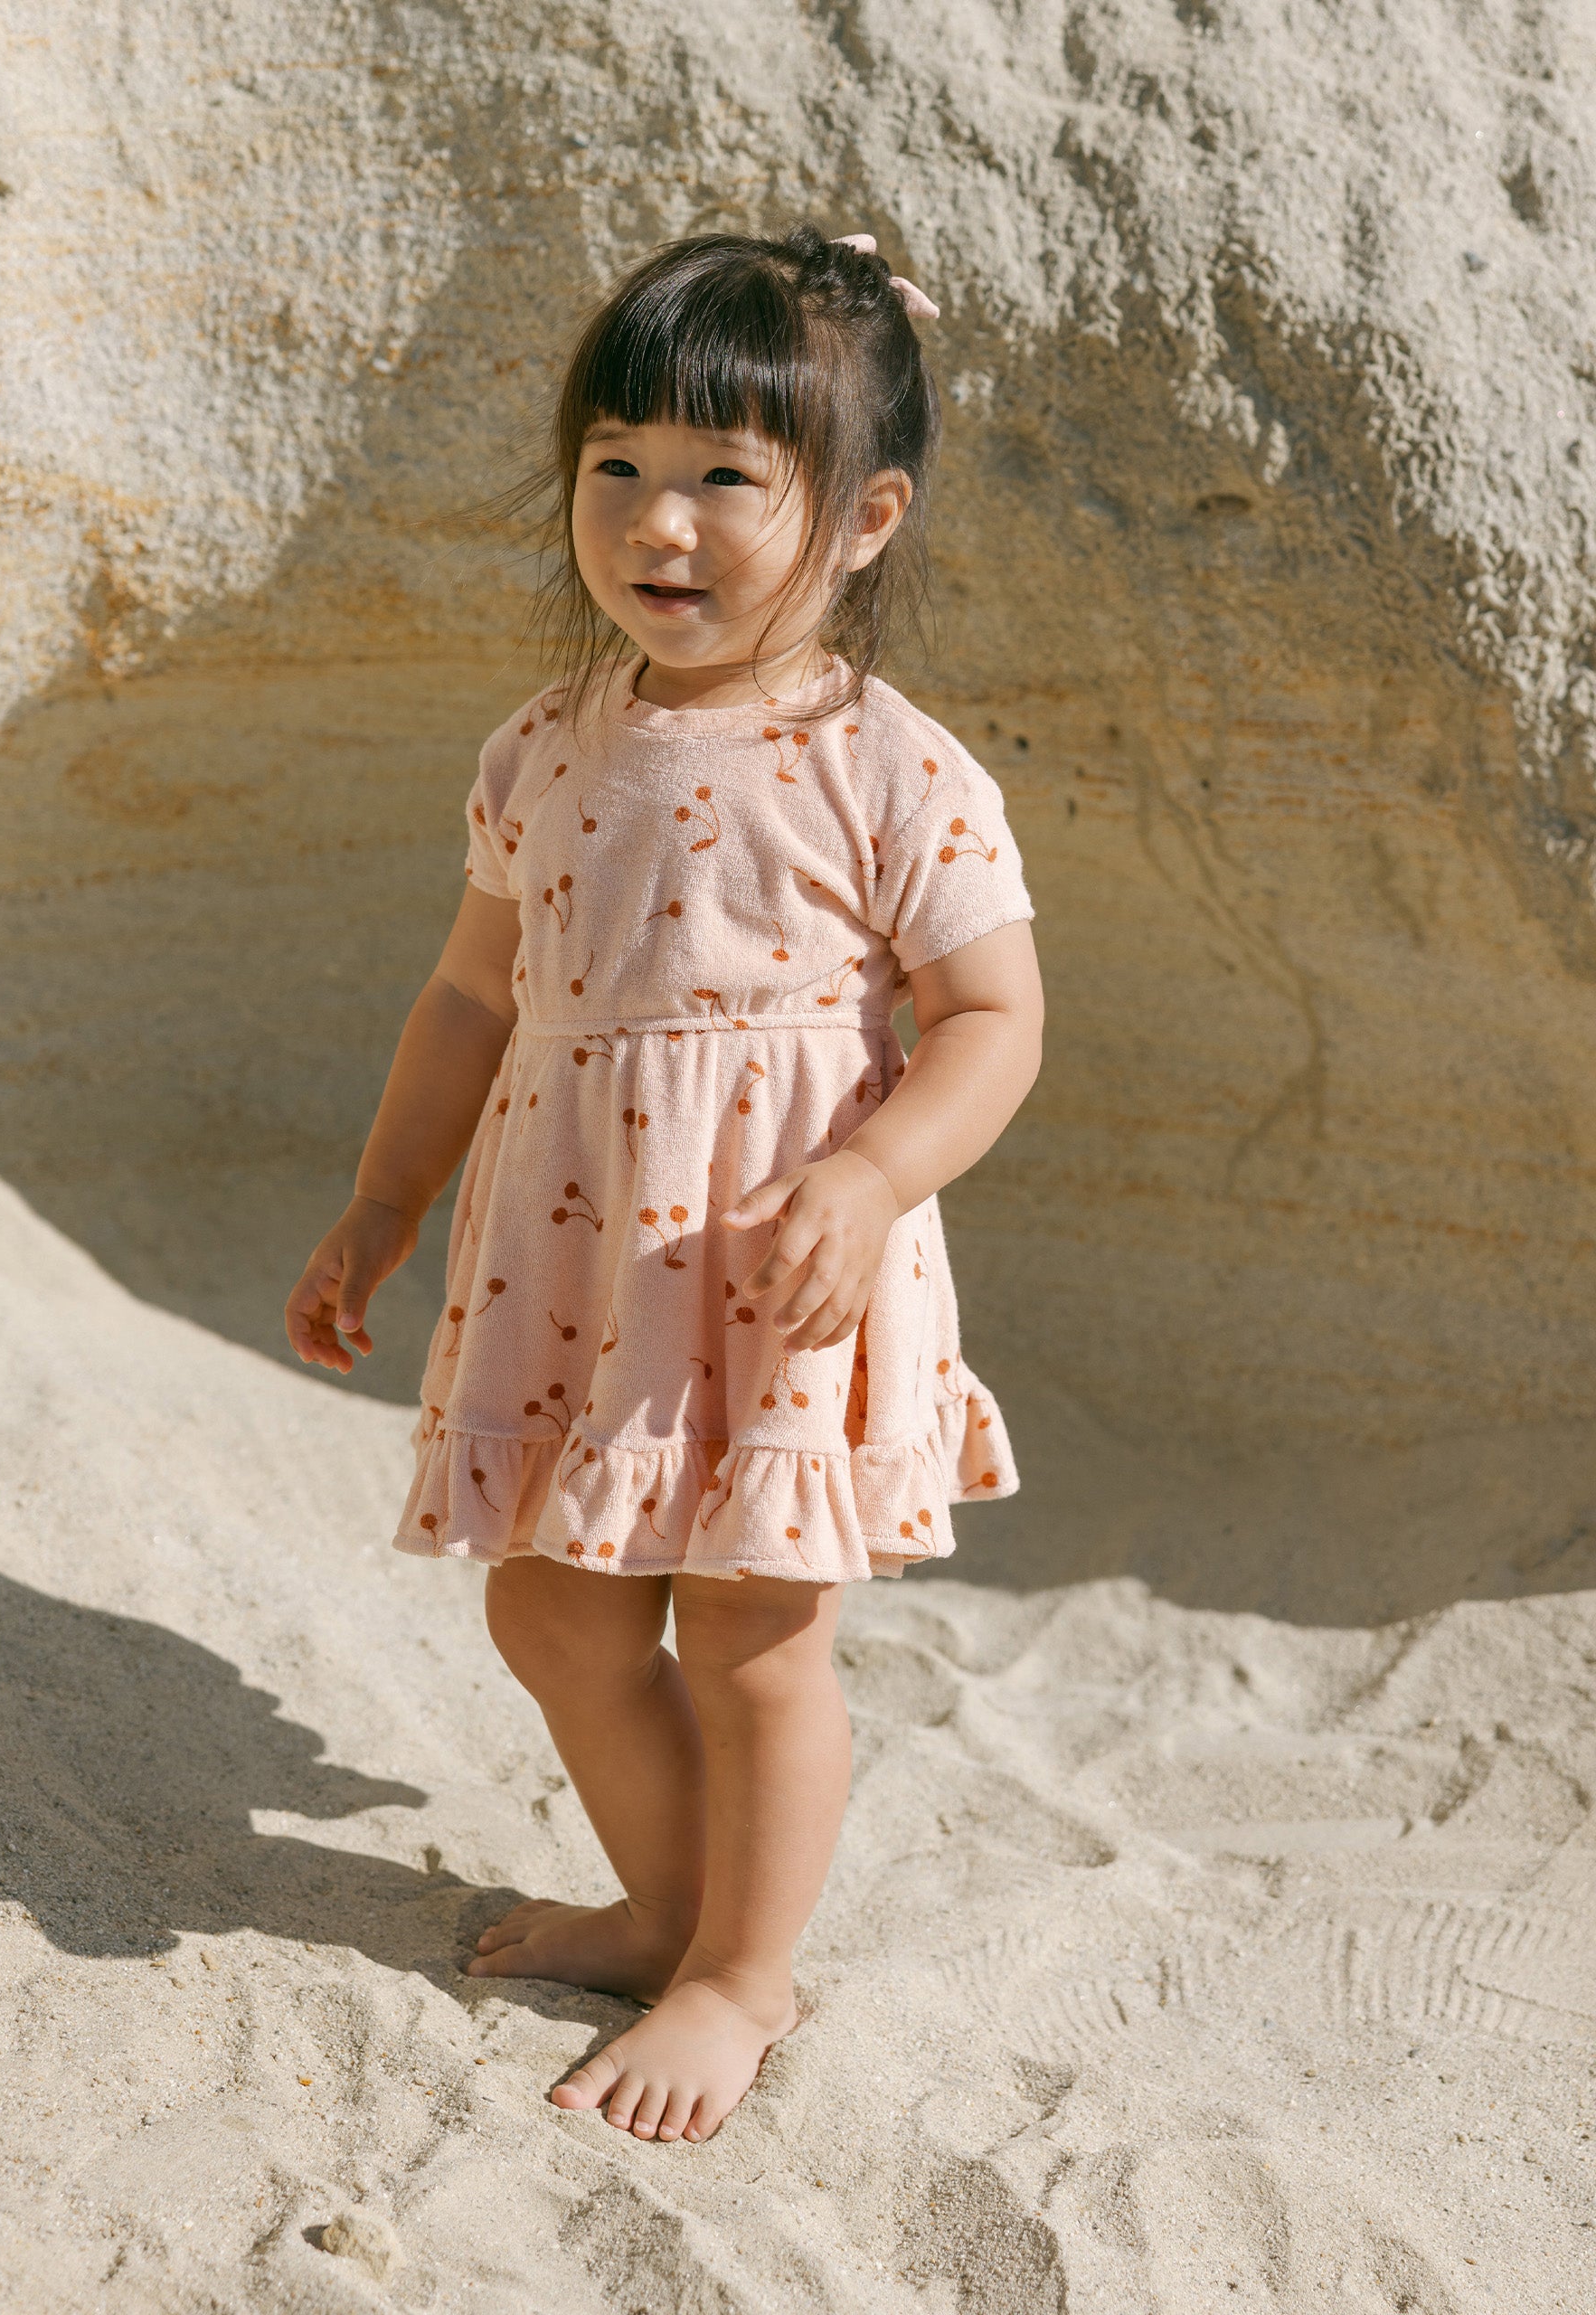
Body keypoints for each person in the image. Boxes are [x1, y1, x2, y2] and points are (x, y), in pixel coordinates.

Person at [285, 225, 1045, 2145]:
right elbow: (473, 996)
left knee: (752, 1635)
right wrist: (382, 1203)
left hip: (782, 1262)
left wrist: (874, 1177)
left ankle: (739, 1975)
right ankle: (666, 1908)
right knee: (552, 1614)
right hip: (581, 1261)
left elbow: (992, 1021)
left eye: (723, 474)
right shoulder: (543, 748)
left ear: (862, 520)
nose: (657, 519)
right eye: (616, 463)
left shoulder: (893, 768)